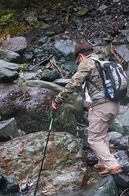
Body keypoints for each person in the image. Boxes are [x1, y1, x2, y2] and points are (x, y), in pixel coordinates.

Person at [52, 42, 122, 175]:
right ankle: (103, 163)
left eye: (77, 60)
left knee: (94, 139)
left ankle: (113, 165)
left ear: (80, 57)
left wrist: (57, 100)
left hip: (102, 105)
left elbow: (74, 83)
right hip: (114, 104)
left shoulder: (87, 63)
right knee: (101, 135)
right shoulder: (101, 63)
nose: (78, 64)